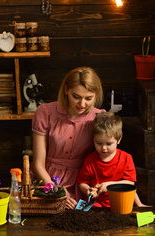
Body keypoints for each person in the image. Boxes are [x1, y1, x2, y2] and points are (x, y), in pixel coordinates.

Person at [31, 67, 105, 209]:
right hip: (47, 179)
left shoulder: (99, 117)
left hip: (82, 183)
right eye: (76, 97)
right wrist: (56, 192)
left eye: (89, 98)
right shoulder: (45, 113)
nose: (82, 104)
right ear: (66, 90)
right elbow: (38, 164)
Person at [76, 111, 146, 208]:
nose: (103, 148)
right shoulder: (90, 160)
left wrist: (110, 186)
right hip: (96, 202)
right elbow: (82, 182)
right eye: (99, 143)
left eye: (109, 144)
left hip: (118, 201)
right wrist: (88, 190)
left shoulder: (126, 158)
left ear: (119, 139)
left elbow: (130, 183)